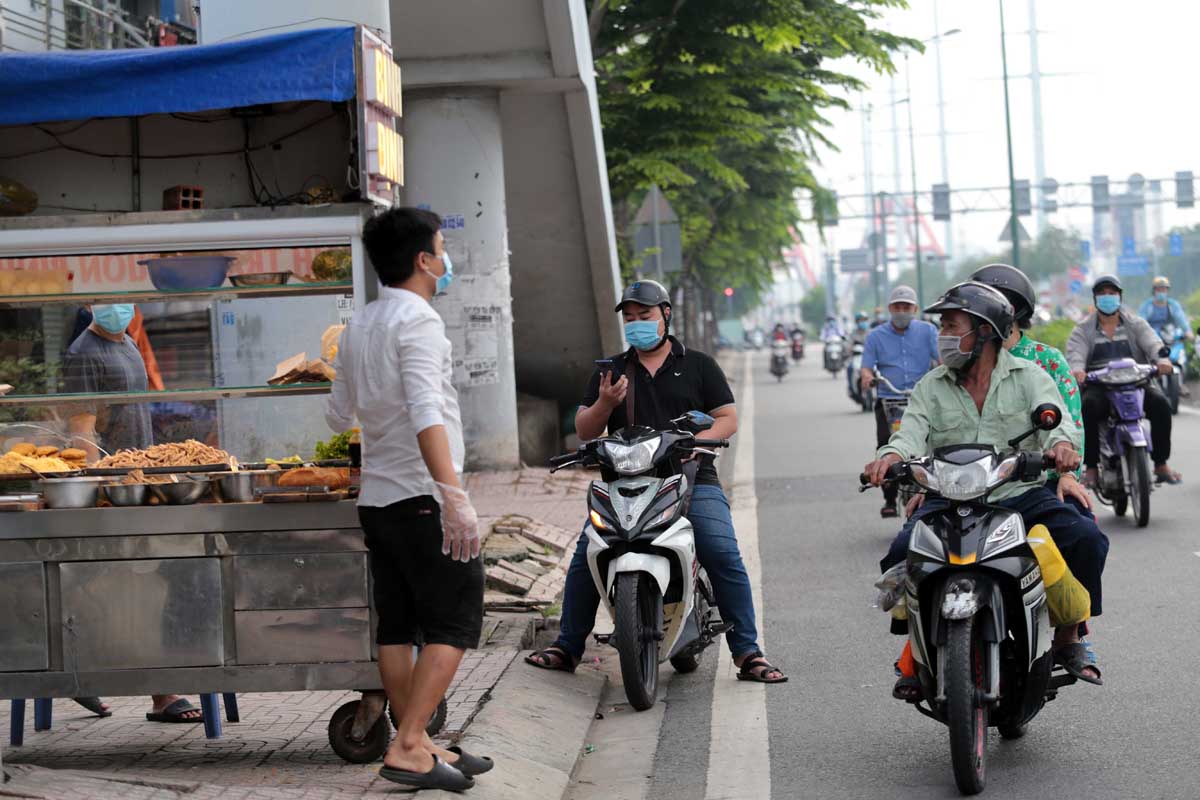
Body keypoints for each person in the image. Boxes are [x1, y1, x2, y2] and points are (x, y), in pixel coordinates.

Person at [525, 280, 787, 684]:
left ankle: (748, 653)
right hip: (624, 485)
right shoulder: (611, 370)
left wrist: (692, 443)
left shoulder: (698, 365)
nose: (635, 324)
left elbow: (727, 418)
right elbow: (584, 429)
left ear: (665, 314)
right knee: (587, 554)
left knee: (720, 550)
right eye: (629, 318)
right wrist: (605, 403)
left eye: (643, 316)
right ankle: (567, 647)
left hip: (691, 480)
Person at [865, 282, 1108, 693]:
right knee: (900, 553)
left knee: (1086, 538)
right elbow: (911, 433)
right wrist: (890, 457)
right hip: (949, 497)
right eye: (941, 325)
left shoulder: (1030, 376)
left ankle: (1070, 637)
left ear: (984, 331)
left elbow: (1056, 422)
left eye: (951, 325)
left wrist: (1062, 448)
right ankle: (917, 652)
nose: (943, 334)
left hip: (1019, 495)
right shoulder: (932, 385)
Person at [325, 207, 488, 792]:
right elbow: (427, 413)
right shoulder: (418, 323)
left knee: (397, 625)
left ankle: (414, 738)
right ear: (423, 260)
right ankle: (411, 743)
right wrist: (454, 496)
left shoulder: (360, 324)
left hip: (378, 498)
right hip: (422, 497)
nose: (446, 260)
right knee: (456, 617)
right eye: (442, 249)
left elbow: (338, 412)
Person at [63, 304, 204, 725]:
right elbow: (82, 425)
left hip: (141, 476)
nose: (124, 307)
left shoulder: (125, 341)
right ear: (92, 304)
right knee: (116, 584)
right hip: (114, 485)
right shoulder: (83, 352)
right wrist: (96, 486)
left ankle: (155, 687)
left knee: (150, 579)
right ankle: (83, 674)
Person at [969, 264, 1092, 514]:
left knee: (1084, 535)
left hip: (1037, 483)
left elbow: (1071, 425)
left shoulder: (1047, 360)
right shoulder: (962, 363)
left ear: (1013, 311)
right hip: (967, 487)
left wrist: (1068, 474)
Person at [1066, 275, 1181, 485]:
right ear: (1095, 299)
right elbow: (1076, 354)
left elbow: (1152, 343)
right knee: (1087, 409)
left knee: (1162, 405)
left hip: (1136, 384)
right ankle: (1091, 467)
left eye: (1112, 293)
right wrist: (1077, 370)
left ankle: (1161, 464)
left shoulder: (1135, 323)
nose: (1107, 298)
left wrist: (1162, 360)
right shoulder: (1083, 329)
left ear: (1119, 297)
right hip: (1100, 386)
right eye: (1102, 294)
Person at [859, 286, 939, 518]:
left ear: (915, 309)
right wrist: (867, 377)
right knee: (887, 446)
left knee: (932, 443)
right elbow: (866, 366)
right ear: (890, 309)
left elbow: (943, 358)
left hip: (921, 398)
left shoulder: (928, 331)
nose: (902, 311)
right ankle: (890, 499)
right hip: (888, 399)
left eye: (907, 307)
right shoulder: (875, 336)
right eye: (898, 307)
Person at [1138, 276, 1193, 341]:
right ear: (1154, 291)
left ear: (1167, 291)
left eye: (1163, 290)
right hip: (1153, 339)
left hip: (1171, 337)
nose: (1161, 292)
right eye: (1159, 290)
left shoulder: (1173, 305)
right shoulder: (1147, 306)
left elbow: (1181, 319)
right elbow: (1141, 323)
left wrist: (1187, 331)